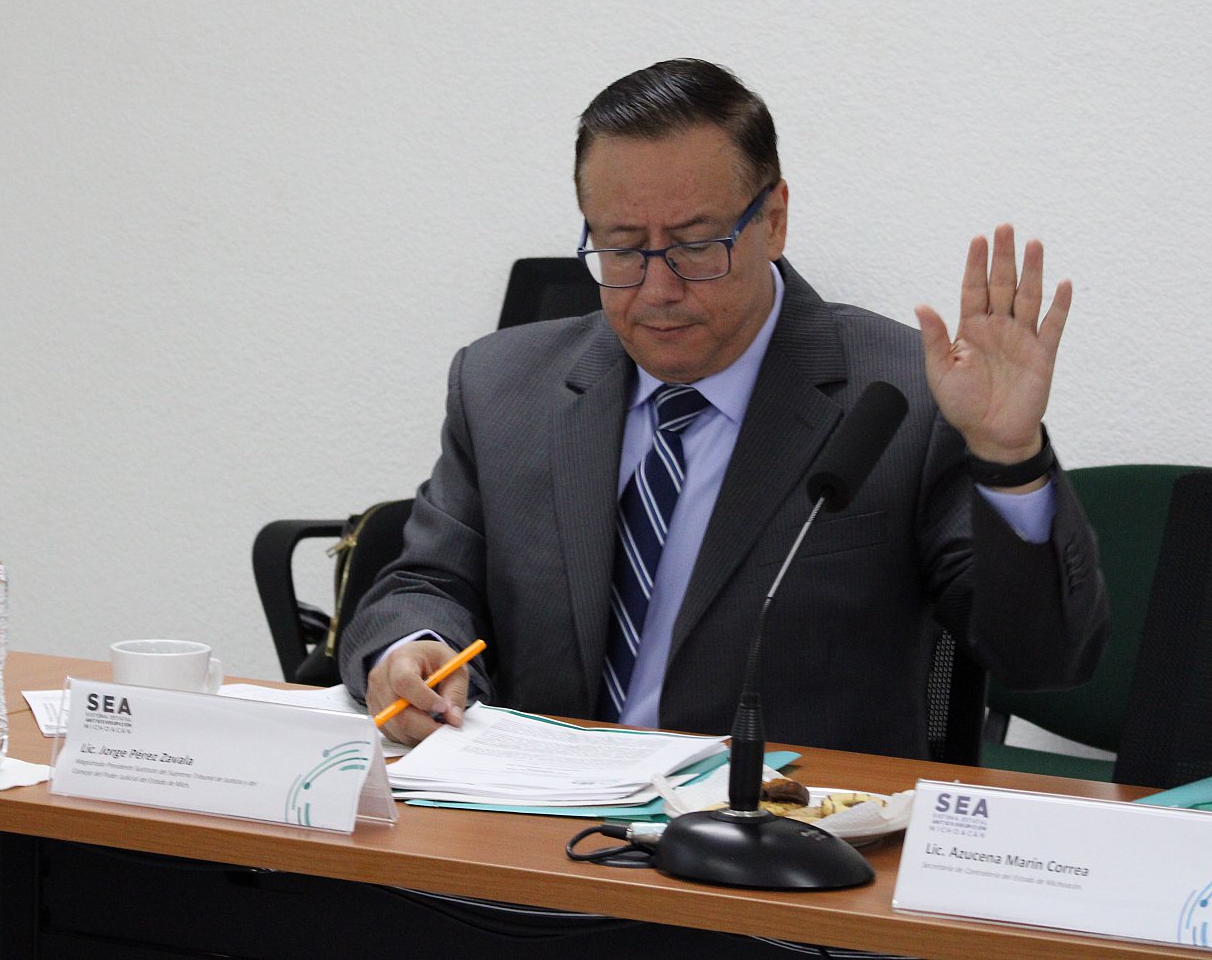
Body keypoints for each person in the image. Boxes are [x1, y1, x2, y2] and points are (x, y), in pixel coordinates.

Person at [340, 58, 1107, 758]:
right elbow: (425, 582)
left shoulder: (903, 396)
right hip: (532, 830)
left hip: (782, 840)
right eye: (622, 247)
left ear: (773, 220)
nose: (658, 288)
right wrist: (410, 648)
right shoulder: (503, 385)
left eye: (695, 244)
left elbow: (1044, 657)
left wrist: (1010, 457)